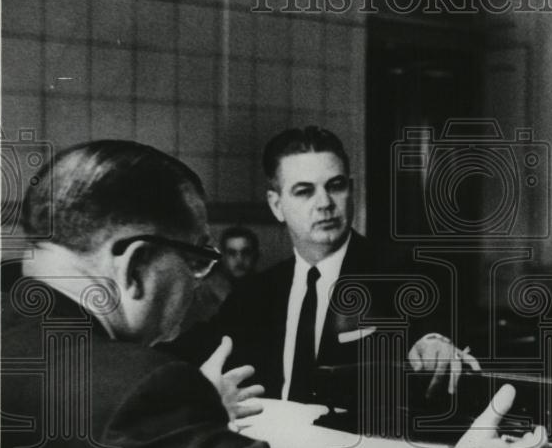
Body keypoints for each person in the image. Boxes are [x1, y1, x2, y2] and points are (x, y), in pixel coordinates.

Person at [1, 140, 546, 448]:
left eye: (335, 186)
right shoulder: (132, 390)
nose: (197, 287)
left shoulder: (0, 335)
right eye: (195, 260)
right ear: (136, 264)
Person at [173, 126, 475, 403]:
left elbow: (436, 327)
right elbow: (187, 353)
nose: (325, 203)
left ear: (351, 191)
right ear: (276, 205)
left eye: (336, 185)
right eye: (304, 191)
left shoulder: (405, 272)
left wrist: (436, 342)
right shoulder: (255, 294)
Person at [177, 226, 261, 332]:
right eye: (232, 253)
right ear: (223, 257)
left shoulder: (266, 291)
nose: (239, 260)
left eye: (246, 253)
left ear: (256, 256)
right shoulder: (204, 293)